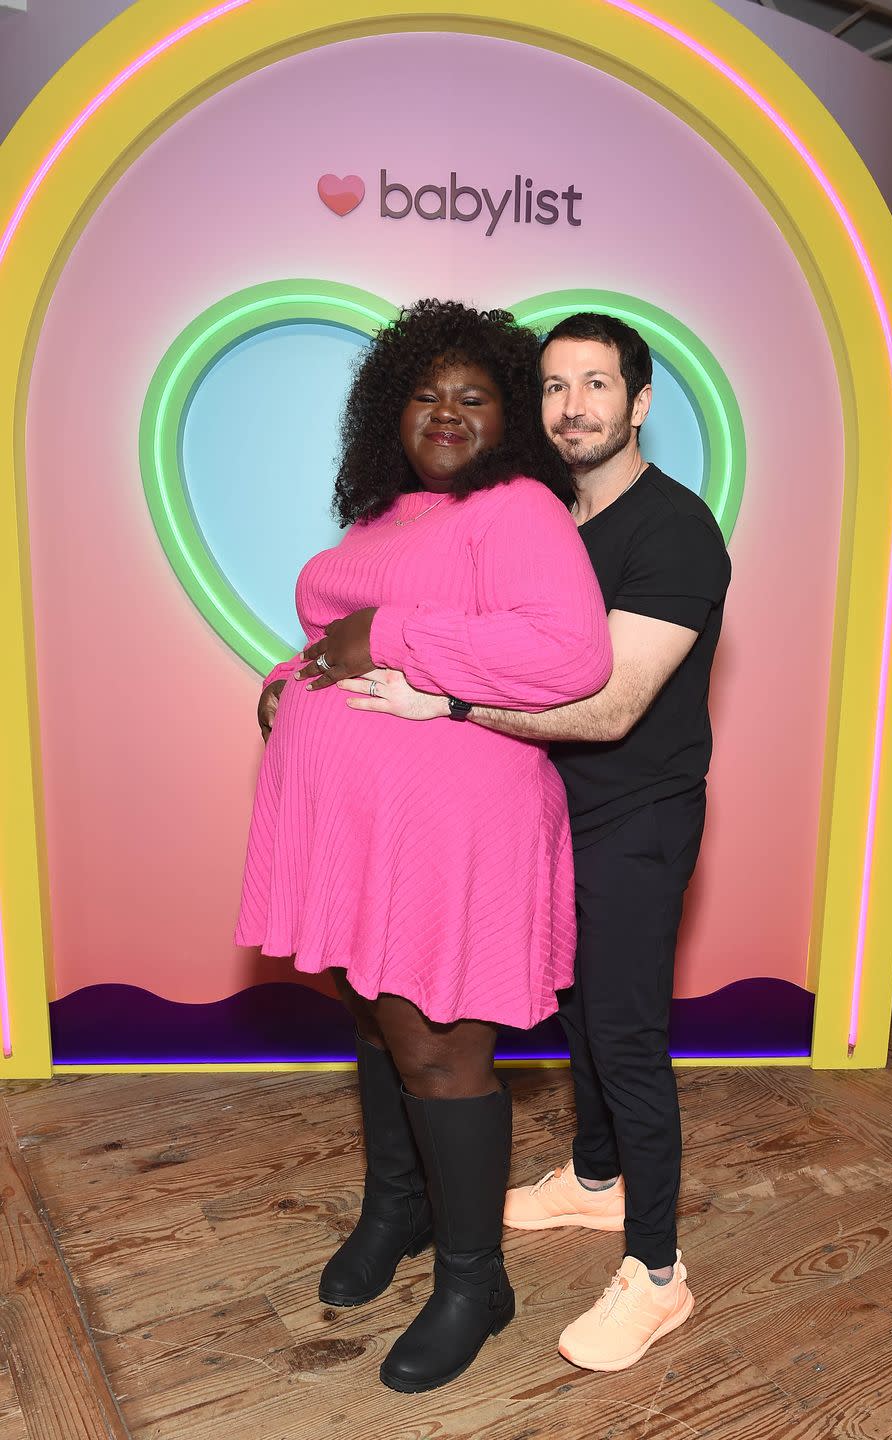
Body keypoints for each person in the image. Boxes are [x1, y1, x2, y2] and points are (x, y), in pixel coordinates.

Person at [339, 311, 730, 1374]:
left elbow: (607, 710)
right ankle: (595, 1184)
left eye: (597, 386)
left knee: (624, 1035)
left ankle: (657, 1275)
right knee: (570, 1015)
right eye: (554, 387)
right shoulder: (543, 514)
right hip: (540, 809)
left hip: (634, 815)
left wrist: (450, 707)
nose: (574, 408)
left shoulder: (674, 531)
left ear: (639, 402)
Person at [235, 299, 613, 1393]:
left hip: (449, 831)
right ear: (388, 413)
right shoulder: (384, 520)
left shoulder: (520, 509)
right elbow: (323, 647)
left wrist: (385, 636)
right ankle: (396, 1211)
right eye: (425, 395)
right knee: (375, 1012)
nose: (445, 413)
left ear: (510, 420)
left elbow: (570, 655)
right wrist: (281, 689)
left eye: (474, 397)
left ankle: (473, 1281)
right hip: (353, 827)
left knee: (444, 1047)